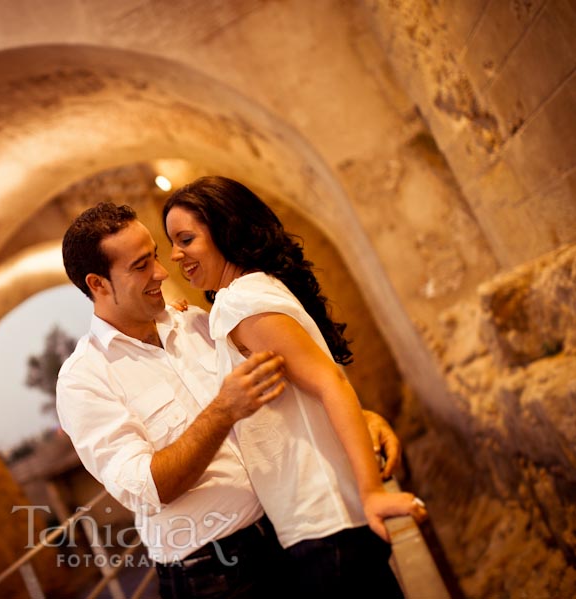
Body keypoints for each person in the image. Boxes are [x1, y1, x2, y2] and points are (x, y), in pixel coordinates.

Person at [56, 202, 404, 598]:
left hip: (290, 532)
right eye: (140, 266)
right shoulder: (83, 379)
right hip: (214, 575)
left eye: (155, 254)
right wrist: (224, 410)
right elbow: (147, 489)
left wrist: (358, 417)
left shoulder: (197, 323)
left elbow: (289, 392)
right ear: (98, 284)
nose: (161, 272)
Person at [163, 175, 427, 597]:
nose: (175, 255)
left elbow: (329, 381)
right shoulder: (251, 293)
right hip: (326, 526)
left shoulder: (239, 302)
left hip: (324, 526)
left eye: (186, 239)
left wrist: (373, 491)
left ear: (225, 230)